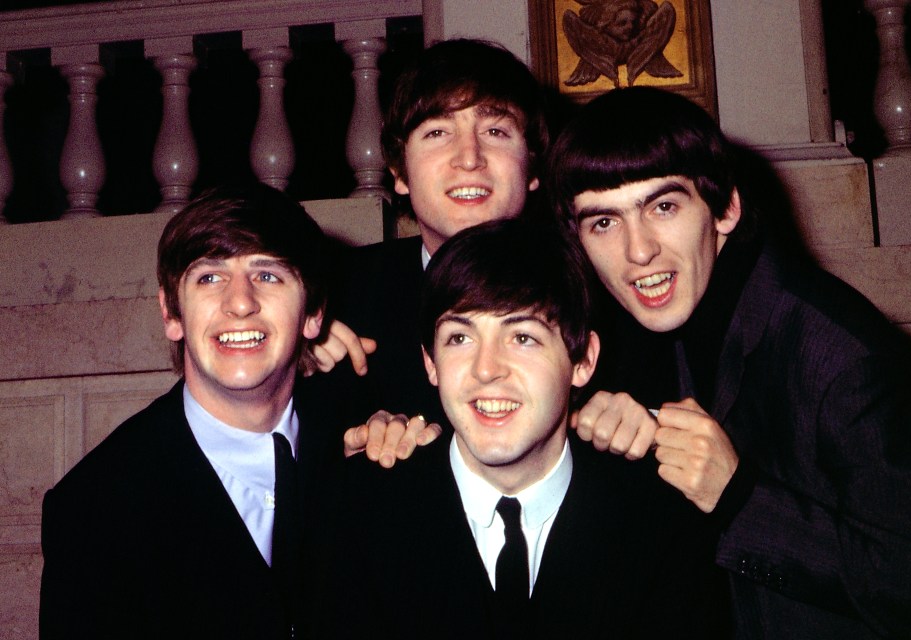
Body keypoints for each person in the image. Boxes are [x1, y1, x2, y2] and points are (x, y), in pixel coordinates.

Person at [547, 86, 911, 638]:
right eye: (604, 222)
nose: (637, 250)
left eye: (663, 206)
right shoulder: (664, 322)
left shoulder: (841, 358)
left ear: (725, 209)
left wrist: (738, 496)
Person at [326, 217, 730, 639]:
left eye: (522, 338)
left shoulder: (660, 525)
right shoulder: (359, 513)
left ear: (583, 361)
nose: (486, 370)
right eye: (459, 339)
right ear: (430, 362)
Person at [39, 184, 348, 640]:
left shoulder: (362, 452)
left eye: (268, 275)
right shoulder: (95, 507)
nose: (240, 302)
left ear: (314, 312)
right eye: (209, 277)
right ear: (171, 312)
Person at [312, 38, 550, 466]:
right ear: (399, 172)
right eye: (438, 132)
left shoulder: (592, 293)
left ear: (531, 167)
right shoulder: (334, 300)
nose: (469, 158)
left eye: (495, 131)